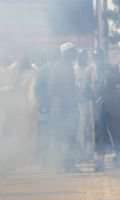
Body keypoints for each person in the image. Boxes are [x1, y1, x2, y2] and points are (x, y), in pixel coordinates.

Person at [48, 42, 81, 173]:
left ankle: (66, 164)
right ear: (66, 53)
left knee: (69, 136)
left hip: (68, 106)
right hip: (63, 108)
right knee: (63, 136)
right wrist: (56, 106)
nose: (74, 54)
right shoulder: (59, 67)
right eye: (72, 51)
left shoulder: (67, 66)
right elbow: (52, 88)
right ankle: (61, 164)